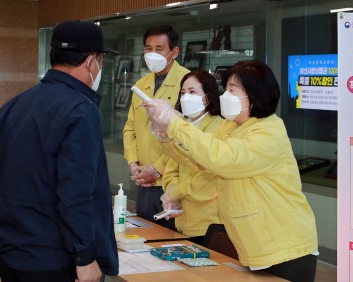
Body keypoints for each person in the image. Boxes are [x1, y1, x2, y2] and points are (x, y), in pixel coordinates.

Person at [143, 60, 318, 281]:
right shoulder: (231, 126)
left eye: (232, 90)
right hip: (253, 245)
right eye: (226, 89)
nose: (225, 96)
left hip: (285, 247)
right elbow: (200, 161)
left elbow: (222, 158)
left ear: (254, 96)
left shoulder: (269, 132)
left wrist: (175, 124)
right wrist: (167, 136)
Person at [0, 21, 118, 282]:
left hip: (12, 250)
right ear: (92, 61)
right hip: (53, 259)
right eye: (101, 61)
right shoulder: (80, 110)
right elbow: (76, 192)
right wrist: (86, 256)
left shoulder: (14, 105)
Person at [122, 25, 190, 229]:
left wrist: (157, 170)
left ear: (174, 52)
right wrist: (134, 164)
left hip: (172, 183)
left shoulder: (187, 83)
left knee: (170, 243)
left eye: (159, 49)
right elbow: (130, 128)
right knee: (145, 239)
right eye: (148, 48)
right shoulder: (141, 84)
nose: (152, 54)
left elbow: (188, 136)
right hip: (144, 182)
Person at [161, 70, 225, 245]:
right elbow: (171, 169)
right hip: (183, 220)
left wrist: (176, 192)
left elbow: (209, 177)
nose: (185, 97)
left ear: (208, 96)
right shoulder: (181, 128)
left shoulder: (219, 128)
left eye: (192, 92)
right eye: (182, 93)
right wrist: (171, 195)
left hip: (210, 223)